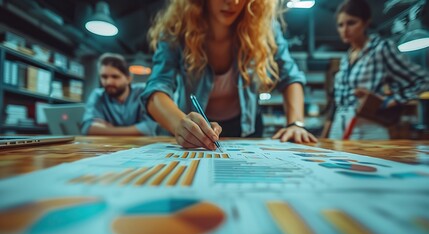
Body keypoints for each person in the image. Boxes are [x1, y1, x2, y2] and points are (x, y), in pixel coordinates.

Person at [140, 0, 317, 150]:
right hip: (193, 128)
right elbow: (157, 88)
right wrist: (179, 124)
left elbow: (290, 76)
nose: (233, 2)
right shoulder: (177, 27)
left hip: (247, 130)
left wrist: (296, 124)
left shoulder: (264, 28)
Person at [329, 0, 429, 140]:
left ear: (365, 22)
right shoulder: (346, 57)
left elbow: (423, 80)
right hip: (339, 126)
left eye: (351, 23)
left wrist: (388, 101)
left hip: (368, 128)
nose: (345, 30)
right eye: (340, 25)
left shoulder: (381, 49)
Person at [81, 53, 158, 136]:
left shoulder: (143, 91)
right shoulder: (98, 95)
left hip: (144, 147)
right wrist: (135, 129)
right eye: (104, 77)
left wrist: (108, 129)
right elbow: (88, 128)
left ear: (128, 78)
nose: (108, 82)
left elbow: (148, 128)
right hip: (109, 147)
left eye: (115, 77)